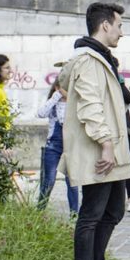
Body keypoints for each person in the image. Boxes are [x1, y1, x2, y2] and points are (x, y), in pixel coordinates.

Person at [61, 2, 130, 260]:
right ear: (105, 25)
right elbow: (90, 105)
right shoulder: (88, 60)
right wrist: (105, 143)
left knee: (115, 209)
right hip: (100, 150)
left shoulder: (102, 58)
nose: (121, 31)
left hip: (111, 149)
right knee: (91, 213)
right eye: (119, 25)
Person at [36, 75, 79, 214]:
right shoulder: (53, 103)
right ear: (57, 88)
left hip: (71, 146)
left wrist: (71, 99)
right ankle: (40, 211)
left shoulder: (75, 103)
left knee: (72, 182)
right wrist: (55, 97)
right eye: (63, 88)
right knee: (49, 180)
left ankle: (74, 213)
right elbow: (41, 113)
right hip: (53, 145)